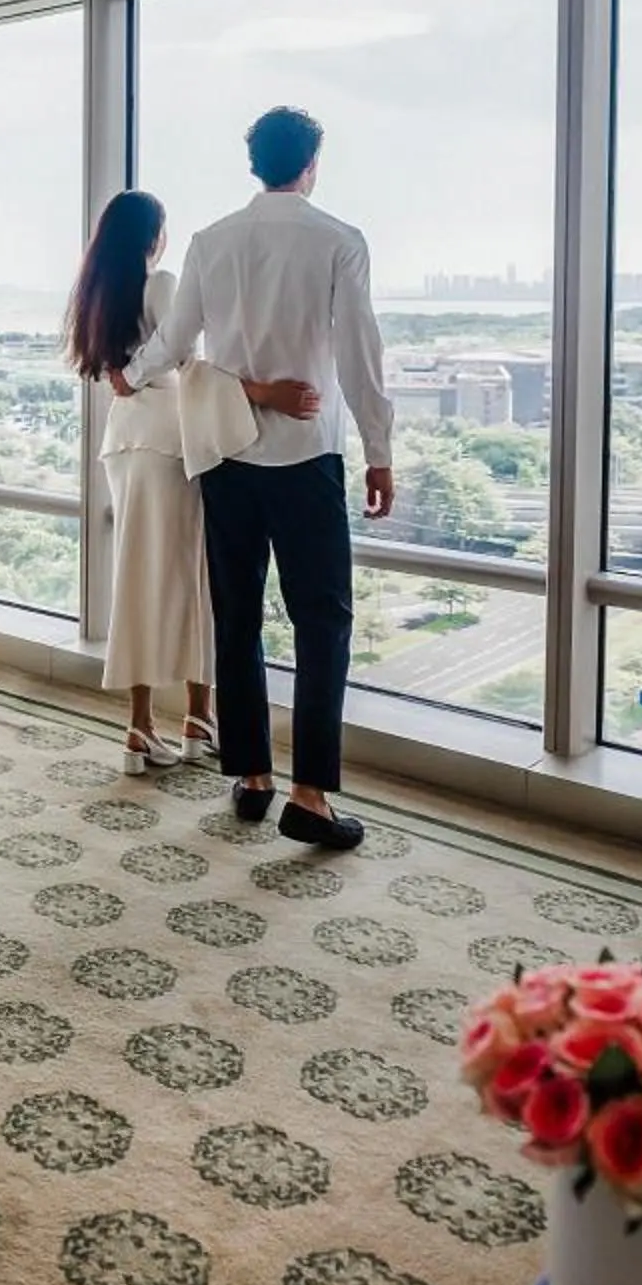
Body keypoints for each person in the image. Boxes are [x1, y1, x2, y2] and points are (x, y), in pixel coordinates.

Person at [113, 107, 394, 851]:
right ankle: (309, 795)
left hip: (226, 457)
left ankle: (252, 779)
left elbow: (173, 346)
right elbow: (361, 354)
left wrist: (129, 374)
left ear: (254, 165)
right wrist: (380, 449)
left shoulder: (211, 242)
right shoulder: (339, 241)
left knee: (237, 618)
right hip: (305, 457)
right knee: (323, 623)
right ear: (311, 165)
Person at [66, 190, 320, 775]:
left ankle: (147, 726)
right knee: (197, 578)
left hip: (125, 445)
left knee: (139, 578)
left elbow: (124, 376)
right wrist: (263, 393)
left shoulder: (96, 295)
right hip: (171, 445)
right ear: (153, 235)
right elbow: (192, 367)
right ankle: (192, 720)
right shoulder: (158, 284)